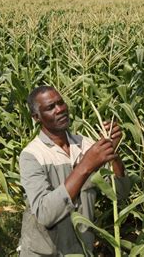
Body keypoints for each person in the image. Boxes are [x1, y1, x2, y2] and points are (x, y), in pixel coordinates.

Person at [18, 86, 131, 256]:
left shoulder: (86, 145)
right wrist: (85, 166)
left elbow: (120, 193)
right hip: (45, 253)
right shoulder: (32, 155)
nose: (60, 110)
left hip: (81, 250)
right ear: (36, 117)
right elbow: (45, 213)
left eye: (61, 103)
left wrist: (113, 153)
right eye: (50, 107)